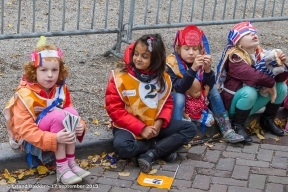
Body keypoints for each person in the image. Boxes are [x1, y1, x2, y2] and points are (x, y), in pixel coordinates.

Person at [3, 36, 91, 185]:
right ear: (34, 71)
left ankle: (71, 163)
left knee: (72, 113)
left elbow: (69, 109)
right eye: (44, 70)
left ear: (60, 71)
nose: (50, 75)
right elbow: (25, 129)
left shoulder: (60, 87)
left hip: (50, 132)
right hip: (30, 141)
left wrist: (80, 125)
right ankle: (61, 168)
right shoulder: (25, 94)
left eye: (54, 70)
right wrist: (55, 139)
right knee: (58, 115)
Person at [105, 34, 197, 173]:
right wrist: (141, 128)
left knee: (190, 128)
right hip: (128, 127)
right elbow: (115, 111)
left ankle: (151, 154)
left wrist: (159, 122)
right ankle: (161, 148)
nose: (138, 59)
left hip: (154, 125)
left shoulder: (163, 78)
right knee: (123, 148)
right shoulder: (120, 78)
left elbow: (167, 102)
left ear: (155, 59)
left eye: (144, 56)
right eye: (136, 54)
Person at [166, 25, 244, 143]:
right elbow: (179, 88)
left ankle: (227, 130)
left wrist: (208, 70)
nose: (191, 53)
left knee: (213, 90)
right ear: (178, 49)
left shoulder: (201, 60)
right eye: (186, 49)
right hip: (180, 100)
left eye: (195, 49)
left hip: (198, 99)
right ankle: (176, 136)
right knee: (180, 97)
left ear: (201, 49)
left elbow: (209, 85)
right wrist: (193, 69)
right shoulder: (171, 62)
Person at [216, 21, 288, 142]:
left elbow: (280, 78)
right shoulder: (234, 58)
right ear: (239, 43)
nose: (254, 35)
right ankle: (237, 126)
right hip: (235, 105)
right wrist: (270, 84)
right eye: (248, 34)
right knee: (249, 92)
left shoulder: (263, 54)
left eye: (254, 32)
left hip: (254, 102)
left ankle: (267, 120)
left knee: (281, 87)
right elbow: (252, 76)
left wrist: (282, 64)